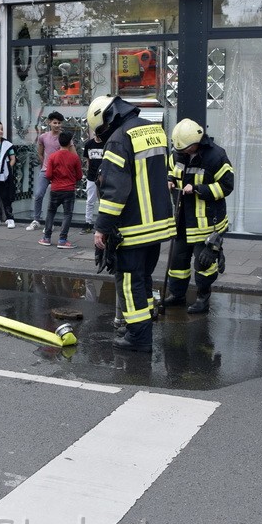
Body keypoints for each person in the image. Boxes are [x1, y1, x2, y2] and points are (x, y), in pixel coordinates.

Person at [87, 95, 175, 352]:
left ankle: (138, 337)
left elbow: (114, 190)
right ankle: (143, 324)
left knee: (130, 281)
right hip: (158, 225)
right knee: (144, 279)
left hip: (134, 228)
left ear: (109, 118)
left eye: (101, 129)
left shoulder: (118, 139)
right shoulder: (152, 129)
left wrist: (102, 227)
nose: (103, 134)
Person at [162, 119, 235, 314]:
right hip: (182, 220)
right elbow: (170, 170)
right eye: (180, 149)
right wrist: (169, 180)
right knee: (177, 262)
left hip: (206, 223)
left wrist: (198, 189)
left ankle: (203, 298)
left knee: (204, 264)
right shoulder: (177, 152)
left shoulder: (216, 156)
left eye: (187, 148)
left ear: (198, 141)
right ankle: (177, 296)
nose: (184, 152)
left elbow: (227, 186)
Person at [39, 130, 83, 249]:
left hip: (55, 189)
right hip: (69, 190)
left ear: (59, 142)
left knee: (51, 212)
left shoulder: (52, 157)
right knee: (67, 214)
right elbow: (79, 175)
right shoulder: (74, 158)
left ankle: (46, 238)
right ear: (70, 143)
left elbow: (48, 175)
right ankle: (62, 240)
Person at [26, 111, 64, 231]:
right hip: (46, 170)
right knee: (38, 195)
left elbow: (67, 153)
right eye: (55, 123)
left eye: (59, 123)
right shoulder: (43, 137)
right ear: (49, 123)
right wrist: (45, 165)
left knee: (54, 198)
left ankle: (49, 223)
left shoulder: (63, 137)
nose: (57, 125)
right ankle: (36, 220)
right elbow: (40, 152)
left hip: (59, 172)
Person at [81, 131, 104, 234]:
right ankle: (88, 223)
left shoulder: (106, 143)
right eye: (97, 134)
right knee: (90, 201)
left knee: (102, 201)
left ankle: (101, 225)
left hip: (103, 176)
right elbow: (87, 160)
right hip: (91, 176)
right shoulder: (89, 144)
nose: (98, 137)